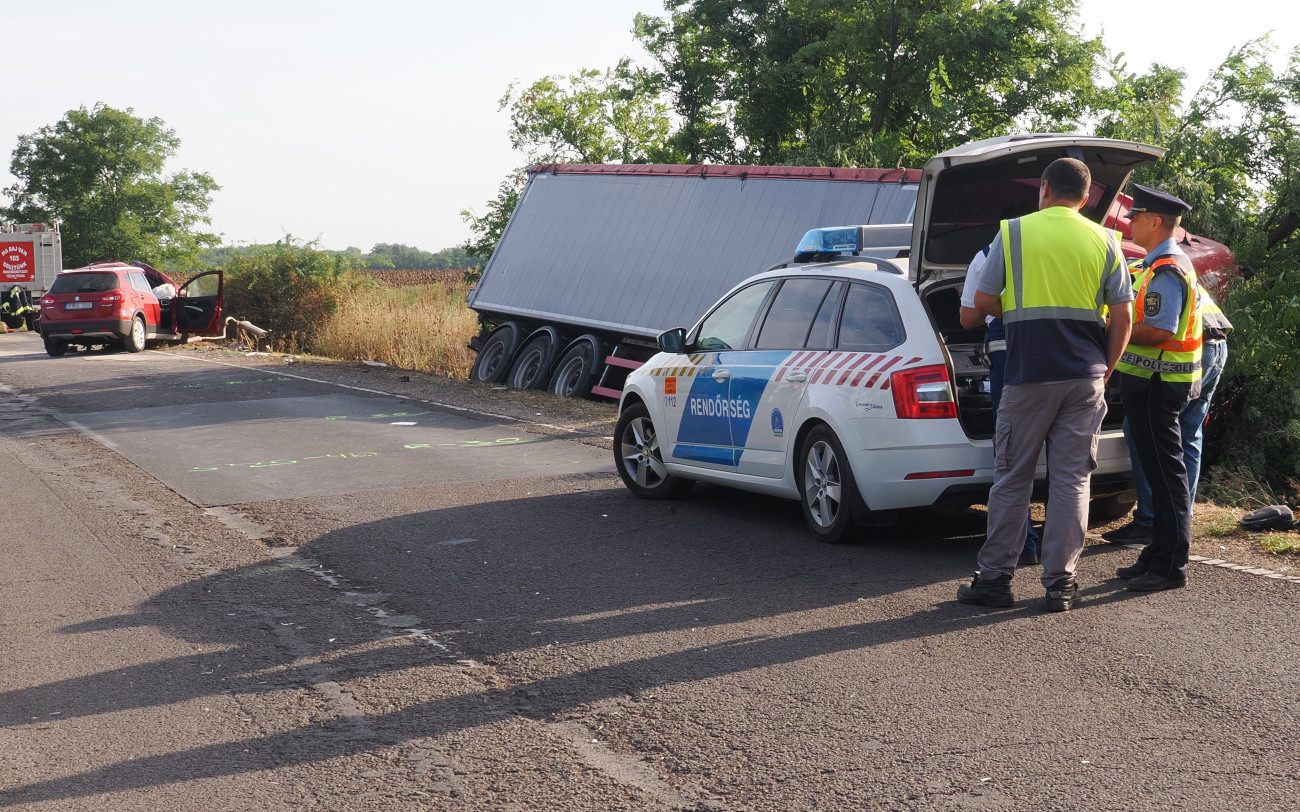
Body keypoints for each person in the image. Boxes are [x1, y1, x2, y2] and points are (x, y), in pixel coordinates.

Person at [956, 158, 1133, 612]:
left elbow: (981, 301)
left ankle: (995, 580)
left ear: (1045, 189)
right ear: (1088, 195)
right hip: (1085, 376)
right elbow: (1124, 316)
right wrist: (1105, 370)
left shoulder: (1013, 232)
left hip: (1028, 373)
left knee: (1013, 480)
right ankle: (1062, 584)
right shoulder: (1107, 239)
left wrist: (1018, 308)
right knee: (1072, 481)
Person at [1111, 185, 1204, 592]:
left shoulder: (1166, 268)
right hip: (1151, 383)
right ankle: (1158, 552)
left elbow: (1160, 330)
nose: (1129, 223)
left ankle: (1170, 566)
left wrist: (1113, 329)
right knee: (1159, 472)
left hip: (1157, 384)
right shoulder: (1154, 264)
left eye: (1135, 216)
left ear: (1154, 222)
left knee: (1167, 477)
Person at [1103, 276, 1232, 544]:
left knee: (1140, 430)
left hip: (1188, 348)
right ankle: (1180, 518)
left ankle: (1150, 520)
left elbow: (1130, 325)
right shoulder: (1157, 269)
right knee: (1188, 435)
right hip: (1216, 344)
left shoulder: (1139, 276)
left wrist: (1108, 326)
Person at [959, 241, 1041, 567]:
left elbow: (967, 318)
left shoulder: (985, 254)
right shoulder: (1060, 247)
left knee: (1011, 451)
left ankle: (1024, 544)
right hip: (1068, 355)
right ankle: (1063, 563)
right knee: (1068, 467)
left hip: (1010, 355)